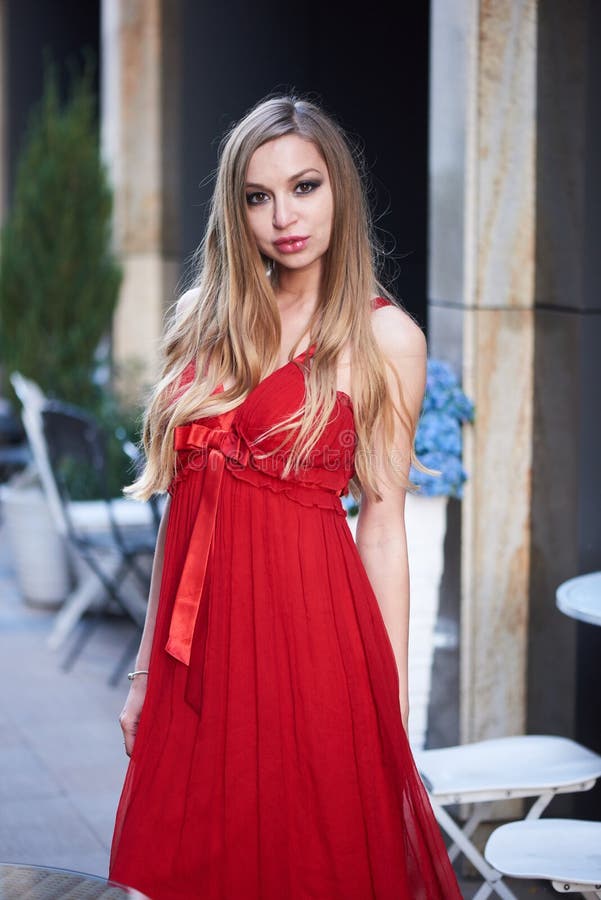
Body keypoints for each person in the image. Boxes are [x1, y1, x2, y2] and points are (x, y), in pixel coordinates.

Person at [108, 95, 462, 900]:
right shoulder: (207, 318)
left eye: (304, 187)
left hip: (313, 645)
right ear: (235, 210)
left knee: (306, 870)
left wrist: (388, 713)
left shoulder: (386, 339)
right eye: (258, 197)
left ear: (339, 188)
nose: (284, 218)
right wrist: (141, 674)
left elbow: (381, 527)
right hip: (194, 653)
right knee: (194, 869)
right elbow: (182, 514)